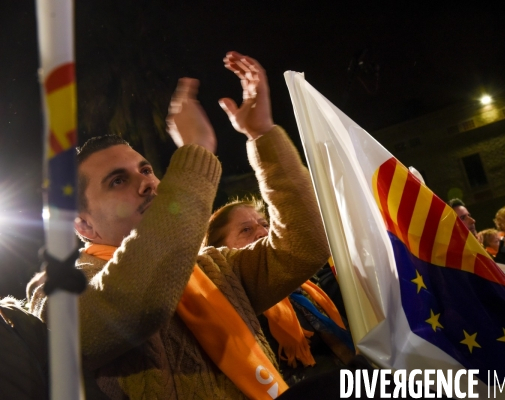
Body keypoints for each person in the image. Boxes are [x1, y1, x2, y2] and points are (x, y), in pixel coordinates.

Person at [28, 52, 330, 399]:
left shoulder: (214, 267)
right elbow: (142, 303)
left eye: (145, 170)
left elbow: (305, 245)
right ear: (84, 226)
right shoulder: (59, 289)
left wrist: (262, 135)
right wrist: (197, 151)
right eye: (116, 181)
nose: (147, 183)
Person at [203, 197, 354, 386]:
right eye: (246, 230)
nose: (263, 233)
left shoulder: (309, 286)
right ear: (219, 253)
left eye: (265, 224)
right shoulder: (233, 310)